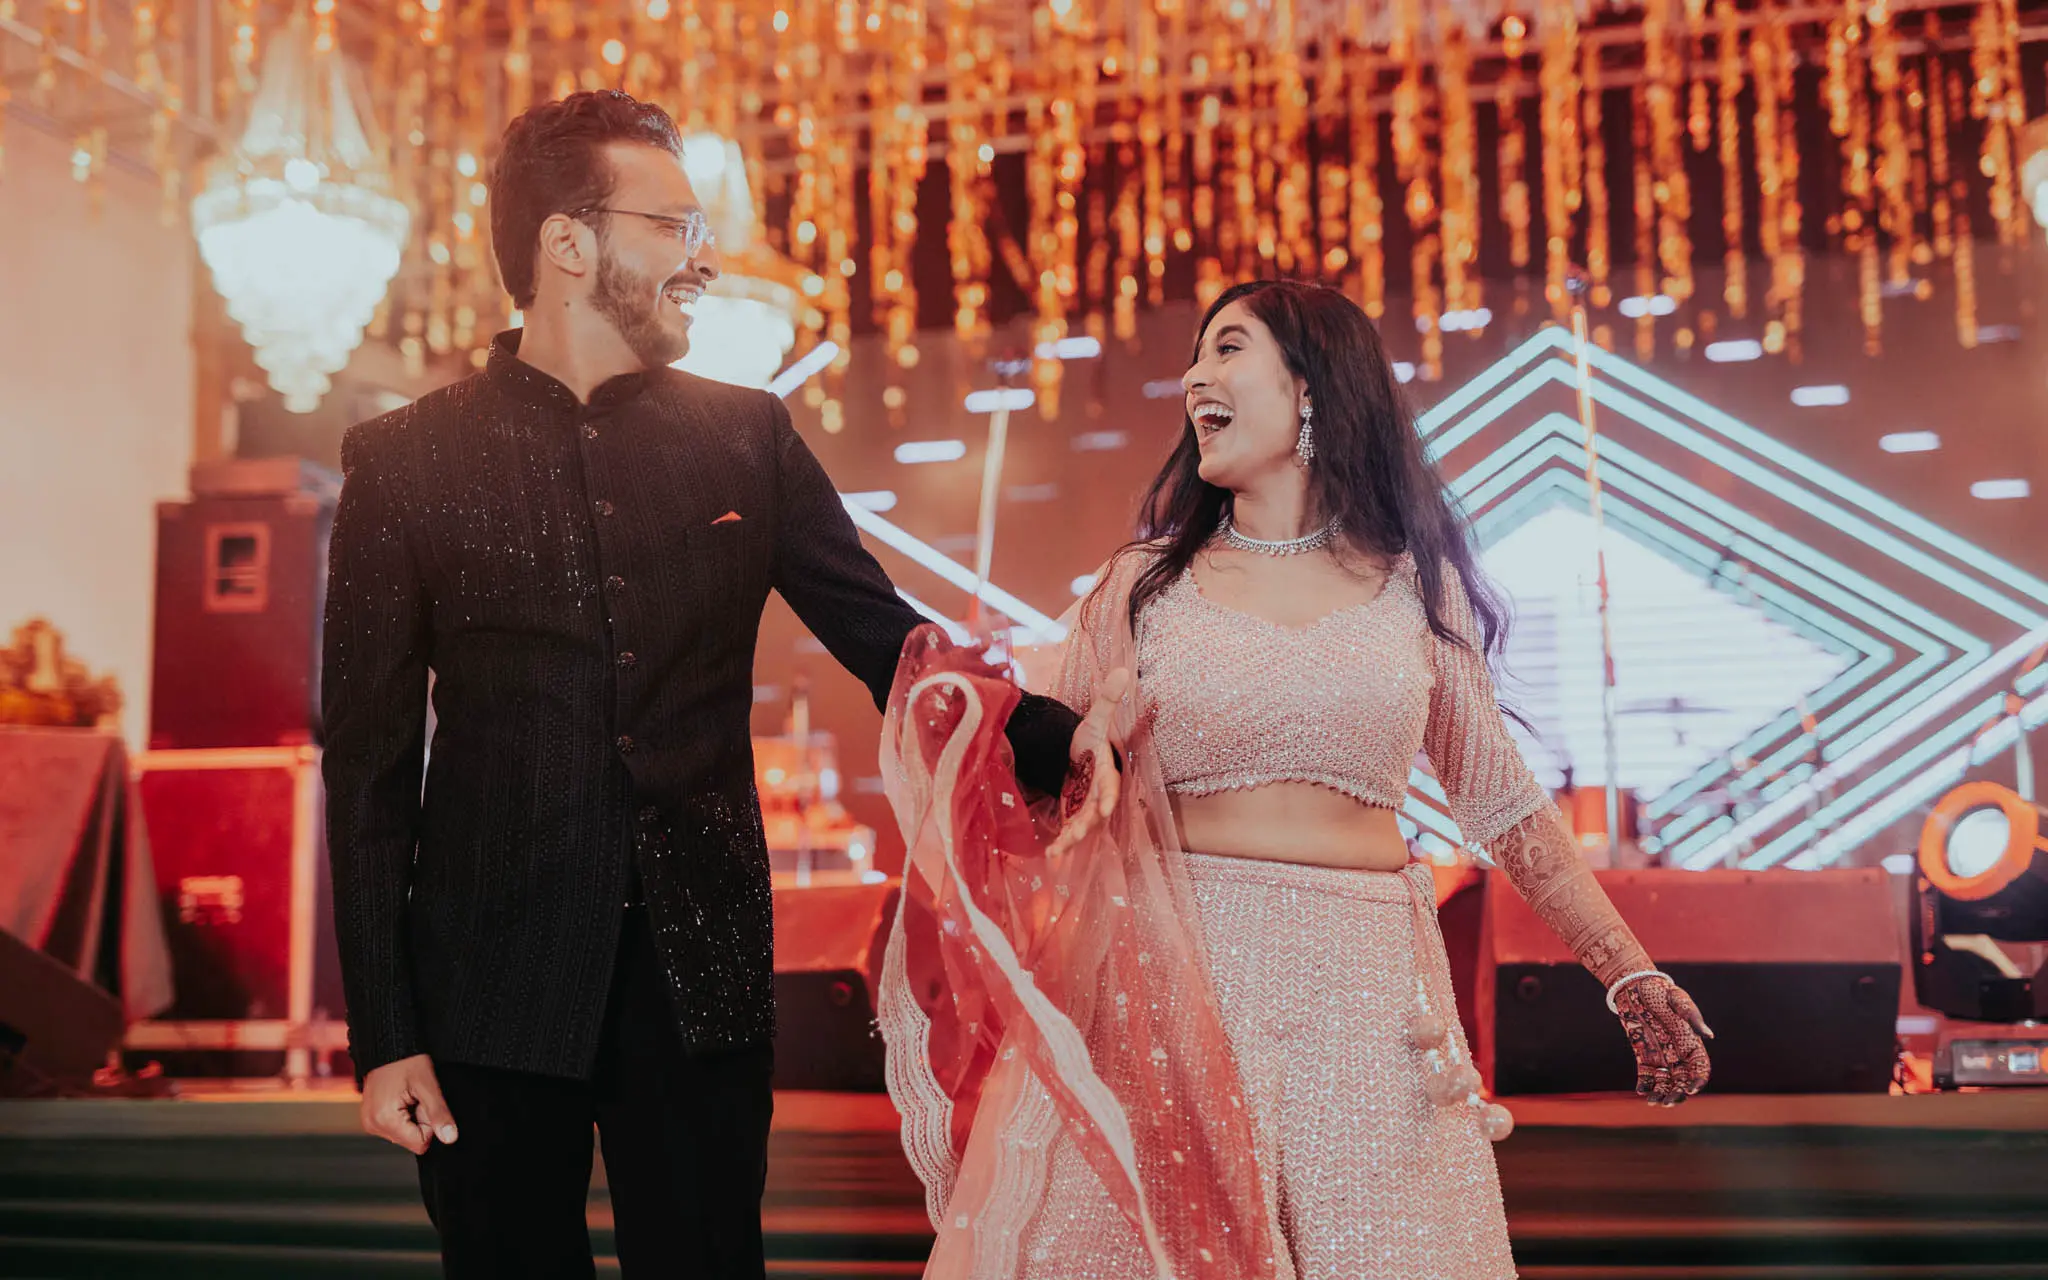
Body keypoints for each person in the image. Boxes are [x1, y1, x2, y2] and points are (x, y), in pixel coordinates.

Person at [320, 90, 1119, 1280]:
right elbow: (367, 769)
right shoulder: (403, 460)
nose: (702, 258)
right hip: (482, 984)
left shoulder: (747, 437)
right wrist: (384, 1032)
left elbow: (884, 637)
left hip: (700, 975)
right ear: (567, 242)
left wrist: (1058, 738)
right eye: (672, 227)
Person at [874, 279, 1712, 1280]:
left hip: (1368, 1009)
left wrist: (1624, 967)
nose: (1195, 377)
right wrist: (1067, 751)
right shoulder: (1139, 587)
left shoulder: (1416, 586)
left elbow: (1503, 805)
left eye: (1227, 348)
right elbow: (1059, 799)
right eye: (1195, 355)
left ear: (1310, 385)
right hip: (1173, 994)